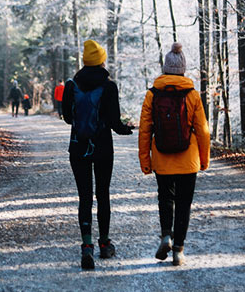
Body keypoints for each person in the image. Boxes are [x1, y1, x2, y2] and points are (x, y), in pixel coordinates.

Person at [63, 40, 135, 270]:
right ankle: (104, 244)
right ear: (102, 60)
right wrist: (126, 128)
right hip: (103, 147)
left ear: (85, 60)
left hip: (78, 147)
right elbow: (114, 122)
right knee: (102, 194)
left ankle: (86, 247)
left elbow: (66, 117)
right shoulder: (109, 86)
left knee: (85, 197)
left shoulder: (71, 85)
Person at [138, 43, 210, 266]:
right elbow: (203, 131)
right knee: (183, 203)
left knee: (165, 199)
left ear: (165, 68)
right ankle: (178, 249)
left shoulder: (153, 94)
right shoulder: (192, 95)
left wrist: (145, 161)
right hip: (188, 160)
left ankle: (166, 236)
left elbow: (144, 129)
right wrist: (204, 160)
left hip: (162, 157)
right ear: (183, 69)